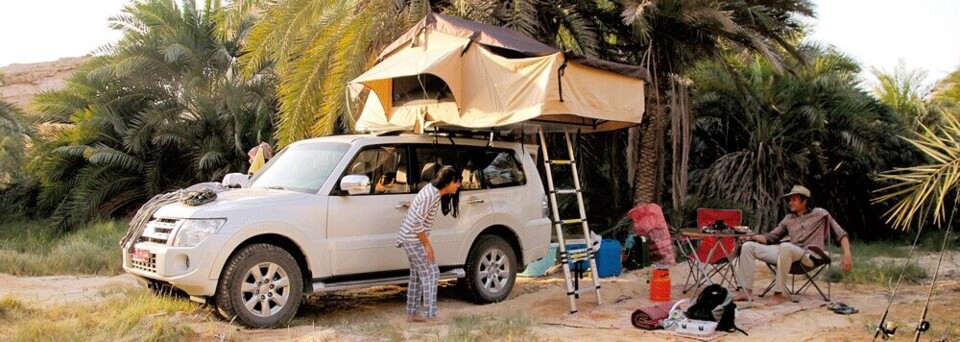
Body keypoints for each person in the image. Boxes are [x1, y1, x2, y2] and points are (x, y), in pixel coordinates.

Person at [734, 185, 854, 304]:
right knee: (748, 246)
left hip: (809, 257)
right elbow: (770, 238)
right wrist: (751, 236)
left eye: (794, 199)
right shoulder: (788, 219)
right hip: (788, 256)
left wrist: (847, 254)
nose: (790, 203)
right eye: (790, 200)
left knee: (786, 247)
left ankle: (778, 294)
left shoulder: (820, 214)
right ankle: (746, 291)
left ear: (804, 201)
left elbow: (841, 234)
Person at [396, 166, 461, 323]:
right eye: (457, 183)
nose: (458, 186)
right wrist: (427, 244)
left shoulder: (432, 191)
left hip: (409, 237)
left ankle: (412, 314)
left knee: (417, 275)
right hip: (413, 238)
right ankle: (430, 315)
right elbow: (417, 222)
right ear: (448, 182)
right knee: (432, 273)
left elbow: (416, 211)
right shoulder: (431, 195)